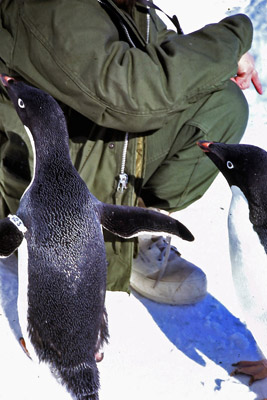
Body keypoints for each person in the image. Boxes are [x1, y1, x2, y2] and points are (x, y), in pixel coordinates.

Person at [0, 0, 262, 304]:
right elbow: (131, 95)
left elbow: (160, 49)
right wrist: (234, 38)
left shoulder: (128, 5)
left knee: (222, 104)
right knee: (141, 94)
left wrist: (213, 66)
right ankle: (52, 251)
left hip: (88, 151)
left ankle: (135, 229)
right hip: (42, 183)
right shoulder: (46, 7)